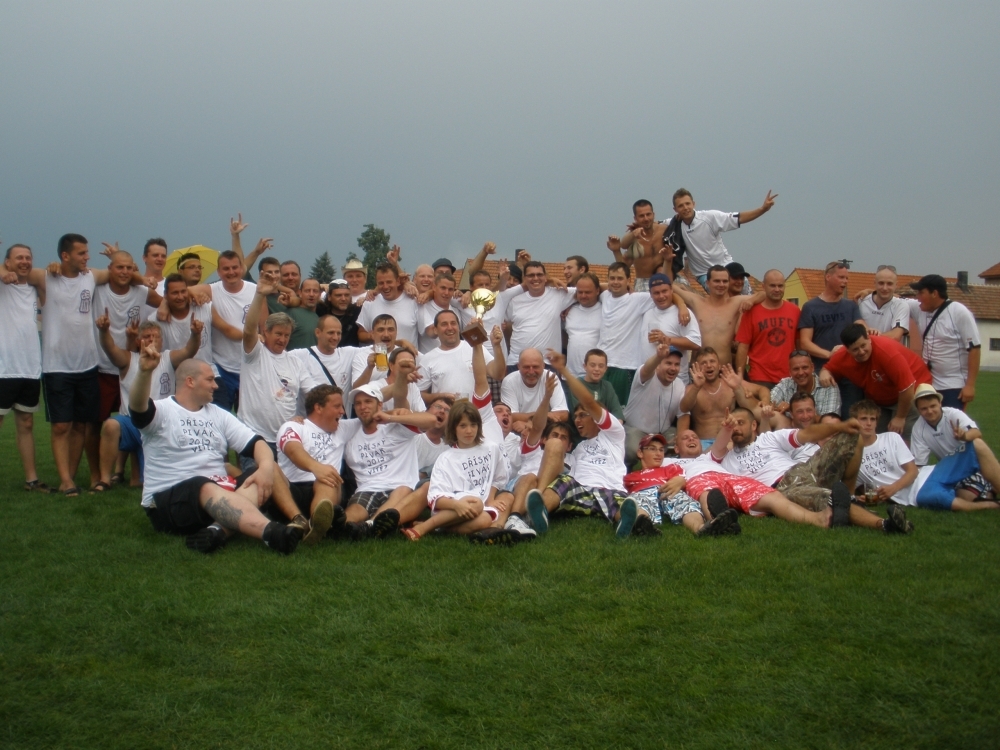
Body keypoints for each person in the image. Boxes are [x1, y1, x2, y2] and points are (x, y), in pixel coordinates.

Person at [129, 350, 302, 555]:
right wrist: (144, 372)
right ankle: (272, 532)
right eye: (210, 379)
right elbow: (138, 407)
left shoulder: (218, 414)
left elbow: (257, 443)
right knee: (203, 484)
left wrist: (265, 468)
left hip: (220, 494)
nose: (216, 385)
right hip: (169, 502)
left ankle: (217, 531)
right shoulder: (162, 411)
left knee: (267, 470)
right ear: (190, 381)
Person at [43, 233, 149, 495]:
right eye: (81, 253)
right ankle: (68, 480)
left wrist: (140, 277)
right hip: (64, 365)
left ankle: (91, 476)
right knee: (68, 426)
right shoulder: (50, 277)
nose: (87, 257)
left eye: (87, 252)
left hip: (90, 365)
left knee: (84, 424)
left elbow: (124, 275)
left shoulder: (91, 276)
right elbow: (18, 273)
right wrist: (52, 266)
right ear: (65, 255)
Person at [711, 407, 913, 533]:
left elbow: (807, 434)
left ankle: (849, 494)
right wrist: (724, 432)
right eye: (731, 425)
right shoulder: (725, 461)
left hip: (804, 470)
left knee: (852, 436)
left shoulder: (769, 438)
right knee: (828, 499)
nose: (736, 428)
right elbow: (709, 457)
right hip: (783, 489)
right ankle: (885, 524)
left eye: (740, 423)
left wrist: (840, 427)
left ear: (754, 425)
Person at [521, 351, 631, 536]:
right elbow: (559, 467)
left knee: (623, 504)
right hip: (580, 489)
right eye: (576, 416)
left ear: (596, 418)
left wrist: (563, 370)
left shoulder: (614, 434)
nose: (577, 420)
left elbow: (588, 402)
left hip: (610, 488)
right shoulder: (578, 448)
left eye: (582, 415)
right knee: (562, 484)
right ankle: (540, 511)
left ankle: (625, 522)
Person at [94, 317, 199, 492]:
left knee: (143, 482)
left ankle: (139, 474)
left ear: (161, 341)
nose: (151, 340)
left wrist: (195, 334)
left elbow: (189, 350)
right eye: (147, 336)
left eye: (156, 336)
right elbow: (109, 348)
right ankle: (105, 479)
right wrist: (104, 331)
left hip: (158, 425)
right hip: (130, 423)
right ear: (138, 341)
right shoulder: (128, 359)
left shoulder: (169, 358)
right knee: (111, 425)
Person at [237, 276, 308, 470]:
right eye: (278, 334)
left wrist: (304, 418)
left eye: (286, 335)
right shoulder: (254, 353)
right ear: (266, 332)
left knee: (285, 485)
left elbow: (312, 393)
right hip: (254, 437)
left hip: (285, 439)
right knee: (258, 483)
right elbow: (248, 330)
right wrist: (260, 294)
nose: (282, 339)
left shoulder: (295, 362)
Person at [619, 433, 740, 538]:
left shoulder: (671, 468)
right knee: (638, 502)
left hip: (669, 490)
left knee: (686, 503)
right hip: (643, 492)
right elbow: (622, 493)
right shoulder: (631, 476)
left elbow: (681, 480)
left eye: (661, 450)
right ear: (640, 453)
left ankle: (701, 528)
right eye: (653, 449)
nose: (658, 453)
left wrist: (680, 481)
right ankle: (640, 525)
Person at [819, 324, 931, 437]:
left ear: (869, 339)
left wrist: (900, 417)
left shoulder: (886, 352)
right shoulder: (841, 356)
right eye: (855, 349)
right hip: (881, 399)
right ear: (847, 350)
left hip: (910, 391)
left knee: (902, 434)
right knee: (877, 436)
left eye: (863, 345)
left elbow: (907, 387)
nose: (861, 351)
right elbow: (827, 368)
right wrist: (824, 372)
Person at [94, 247, 163, 428]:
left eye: (129, 268)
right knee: (95, 424)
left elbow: (165, 303)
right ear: (110, 268)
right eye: (120, 267)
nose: (124, 272)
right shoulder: (98, 289)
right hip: (102, 367)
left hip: (132, 367)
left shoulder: (141, 291)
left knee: (135, 420)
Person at [276, 384, 352, 545]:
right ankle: (299, 519)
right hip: (291, 491)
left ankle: (315, 525)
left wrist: (394, 414)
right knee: (269, 467)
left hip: (327, 490)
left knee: (329, 477)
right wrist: (317, 468)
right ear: (318, 408)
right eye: (337, 406)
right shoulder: (294, 426)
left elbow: (371, 416)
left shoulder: (343, 428)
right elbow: (293, 450)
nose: (342, 411)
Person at [910, 384, 1000, 512]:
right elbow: (920, 463)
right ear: (918, 410)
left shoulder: (953, 414)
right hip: (950, 469)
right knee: (965, 497)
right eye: (924, 408)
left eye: (933, 406)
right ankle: (990, 488)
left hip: (969, 462)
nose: (929, 411)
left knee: (977, 444)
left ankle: (990, 481)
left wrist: (964, 436)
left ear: (940, 403)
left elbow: (976, 433)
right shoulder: (918, 428)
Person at [0, 243, 47, 490]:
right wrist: (2, 273)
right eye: (19, 258)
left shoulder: (33, 287)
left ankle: (32, 480)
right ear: (7, 262)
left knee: (26, 423)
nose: (25, 261)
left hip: (29, 367)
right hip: (4, 368)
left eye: (28, 257)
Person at [670, 188, 777, 291]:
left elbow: (739, 218)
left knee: (745, 290)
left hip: (725, 266)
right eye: (681, 206)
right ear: (675, 209)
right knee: (719, 295)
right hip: (704, 273)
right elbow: (658, 224)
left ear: (693, 204)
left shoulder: (710, 217)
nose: (685, 208)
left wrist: (763, 209)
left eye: (687, 204)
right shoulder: (673, 225)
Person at [797, 261, 866, 416]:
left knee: (851, 416)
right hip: (822, 372)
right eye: (841, 277)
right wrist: (830, 355)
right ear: (828, 277)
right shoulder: (811, 307)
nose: (845, 282)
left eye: (846, 278)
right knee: (825, 417)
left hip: (850, 372)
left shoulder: (851, 306)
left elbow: (861, 328)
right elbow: (805, 342)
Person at [908, 274, 980, 409]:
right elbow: (893, 301)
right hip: (928, 382)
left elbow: (974, 348)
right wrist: (871, 293)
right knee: (928, 418)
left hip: (953, 384)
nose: (917, 297)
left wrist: (970, 385)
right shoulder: (919, 309)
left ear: (934, 293)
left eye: (921, 293)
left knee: (950, 419)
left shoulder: (959, 312)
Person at [671, 265, 761, 368]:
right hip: (698, 369)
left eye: (725, 281)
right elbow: (669, 286)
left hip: (724, 369)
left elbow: (763, 294)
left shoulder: (735, 303)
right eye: (717, 281)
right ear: (707, 283)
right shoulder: (697, 302)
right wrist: (681, 305)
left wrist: (752, 300)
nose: (721, 284)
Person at [595, 262, 655, 406]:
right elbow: (592, 286)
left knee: (619, 410)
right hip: (602, 365)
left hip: (624, 366)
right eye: (612, 278)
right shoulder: (604, 296)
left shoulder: (638, 299)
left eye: (620, 278)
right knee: (599, 410)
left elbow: (668, 293)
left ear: (629, 280)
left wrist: (682, 306)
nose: (615, 282)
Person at [416, 310, 506, 403]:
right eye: (444, 324)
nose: (450, 328)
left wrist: (496, 346)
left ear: (459, 327)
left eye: (453, 323)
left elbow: (498, 374)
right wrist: (441, 397)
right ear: (435, 330)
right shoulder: (427, 359)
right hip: (447, 411)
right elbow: (419, 395)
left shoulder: (475, 348)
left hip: (477, 410)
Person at [503, 261, 576, 369]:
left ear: (545, 277)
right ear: (524, 278)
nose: (536, 278)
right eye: (531, 275)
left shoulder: (559, 294)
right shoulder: (514, 300)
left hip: (549, 363)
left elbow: (591, 290)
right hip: (517, 362)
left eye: (539, 275)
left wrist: (571, 306)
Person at [735, 269, 800, 388]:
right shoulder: (751, 312)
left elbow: (799, 345)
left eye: (780, 286)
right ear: (763, 286)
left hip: (789, 377)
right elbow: (743, 347)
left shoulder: (795, 311)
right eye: (772, 286)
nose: (777, 289)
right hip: (759, 378)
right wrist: (740, 375)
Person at [624, 344, 688, 463]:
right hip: (635, 430)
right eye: (668, 363)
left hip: (663, 432)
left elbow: (683, 415)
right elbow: (647, 369)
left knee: (682, 443)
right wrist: (658, 356)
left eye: (677, 364)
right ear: (658, 364)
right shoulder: (646, 375)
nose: (673, 368)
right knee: (633, 450)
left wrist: (679, 440)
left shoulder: (679, 384)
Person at [850, 400, 919, 505]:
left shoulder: (892, 438)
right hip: (900, 497)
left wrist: (893, 488)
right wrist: (872, 498)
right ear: (854, 422)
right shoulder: (852, 455)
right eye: (863, 419)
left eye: (872, 419)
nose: (869, 423)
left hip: (919, 483)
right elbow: (856, 487)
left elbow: (913, 471)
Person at [637, 273, 700, 379]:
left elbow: (696, 343)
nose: (661, 296)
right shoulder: (647, 310)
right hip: (649, 377)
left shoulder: (683, 314)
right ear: (650, 294)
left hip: (675, 378)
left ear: (671, 290)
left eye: (664, 291)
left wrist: (666, 339)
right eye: (656, 293)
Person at [152, 275, 214, 376]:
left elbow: (226, 328)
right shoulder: (155, 320)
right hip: (176, 377)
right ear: (165, 294)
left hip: (208, 373)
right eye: (175, 293)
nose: (180, 297)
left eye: (183, 291)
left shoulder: (204, 306)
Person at [679, 348, 738, 448]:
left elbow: (760, 390)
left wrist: (764, 398)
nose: (709, 365)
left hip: (728, 441)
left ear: (719, 365)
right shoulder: (691, 389)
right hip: (703, 443)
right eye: (704, 363)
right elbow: (684, 408)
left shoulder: (730, 385)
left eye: (712, 361)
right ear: (697, 367)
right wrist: (696, 387)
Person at [606, 200, 671, 291]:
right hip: (644, 281)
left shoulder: (664, 230)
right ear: (635, 218)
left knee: (683, 289)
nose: (646, 218)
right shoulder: (634, 238)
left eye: (648, 214)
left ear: (653, 214)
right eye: (641, 216)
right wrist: (616, 251)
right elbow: (623, 265)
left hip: (665, 277)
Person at [769, 350, 842, 428]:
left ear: (812, 368)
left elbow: (831, 423)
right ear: (790, 372)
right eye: (796, 369)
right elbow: (768, 405)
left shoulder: (828, 386)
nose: (801, 373)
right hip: (791, 432)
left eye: (805, 367)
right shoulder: (785, 384)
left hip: (820, 433)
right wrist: (776, 408)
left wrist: (795, 410)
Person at [499, 348, 570, 428]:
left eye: (535, 367)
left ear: (543, 366)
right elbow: (510, 417)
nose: (531, 372)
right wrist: (547, 416)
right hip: (520, 431)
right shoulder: (509, 381)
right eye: (526, 367)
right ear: (519, 366)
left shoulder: (551, 378)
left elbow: (563, 414)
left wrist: (528, 424)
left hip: (544, 430)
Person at [357, 263, 421, 346]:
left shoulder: (413, 301)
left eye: (389, 282)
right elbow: (361, 333)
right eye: (381, 283)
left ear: (398, 281)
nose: (385, 286)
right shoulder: (370, 302)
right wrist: (371, 336)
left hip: (407, 354)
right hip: (380, 354)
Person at [565, 349, 624, 424]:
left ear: (605, 369)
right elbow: (579, 415)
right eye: (592, 365)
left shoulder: (607, 386)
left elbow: (617, 412)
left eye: (601, 366)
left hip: (605, 427)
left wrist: (617, 426)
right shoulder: (577, 385)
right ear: (585, 366)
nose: (597, 369)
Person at [859, 266, 910, 341]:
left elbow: (895, 336)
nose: (885, 288)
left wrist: (869, 337)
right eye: (881, 283)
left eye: (889, 284)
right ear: (875, 283)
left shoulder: (901, 305)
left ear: (896, 285)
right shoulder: (861, 302)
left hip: (887, 349)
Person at [416, 272, 461, 353]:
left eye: (450, 289)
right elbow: (431, 333)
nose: (446, 293)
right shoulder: (423, 307)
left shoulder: (456, 310)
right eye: (443, 288)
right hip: (431, 359)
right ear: (434, 287)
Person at [316, 278, 362, 347]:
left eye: (346, 295)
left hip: (351, 353)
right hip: (327, 353)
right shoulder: (321, 311)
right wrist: (320, 286)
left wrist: (366, 298)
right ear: (329, 297)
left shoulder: (357, 311)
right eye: (338, 295)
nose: (343, 299)